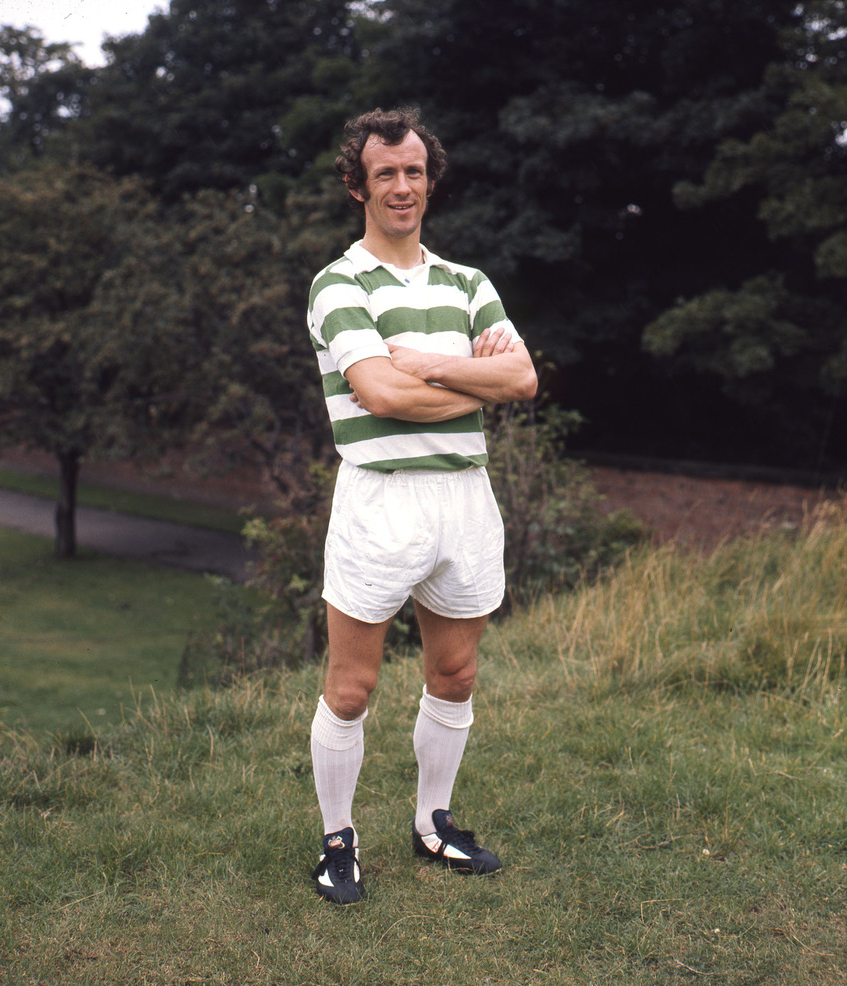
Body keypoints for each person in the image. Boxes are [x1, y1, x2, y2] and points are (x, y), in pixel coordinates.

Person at [306, 107, 537, 904]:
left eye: (413, 171)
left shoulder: (468, 283)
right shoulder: (338, 284)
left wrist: (423, 367)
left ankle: (432, 824)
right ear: (357, 186)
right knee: (351, 688)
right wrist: (472, 379)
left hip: (463, 497)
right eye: (385, 174)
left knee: (455, 672)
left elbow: (523, 379)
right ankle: (337, 841)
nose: (401, 187)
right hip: (380, 500)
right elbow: (378, 393)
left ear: (429, 180)